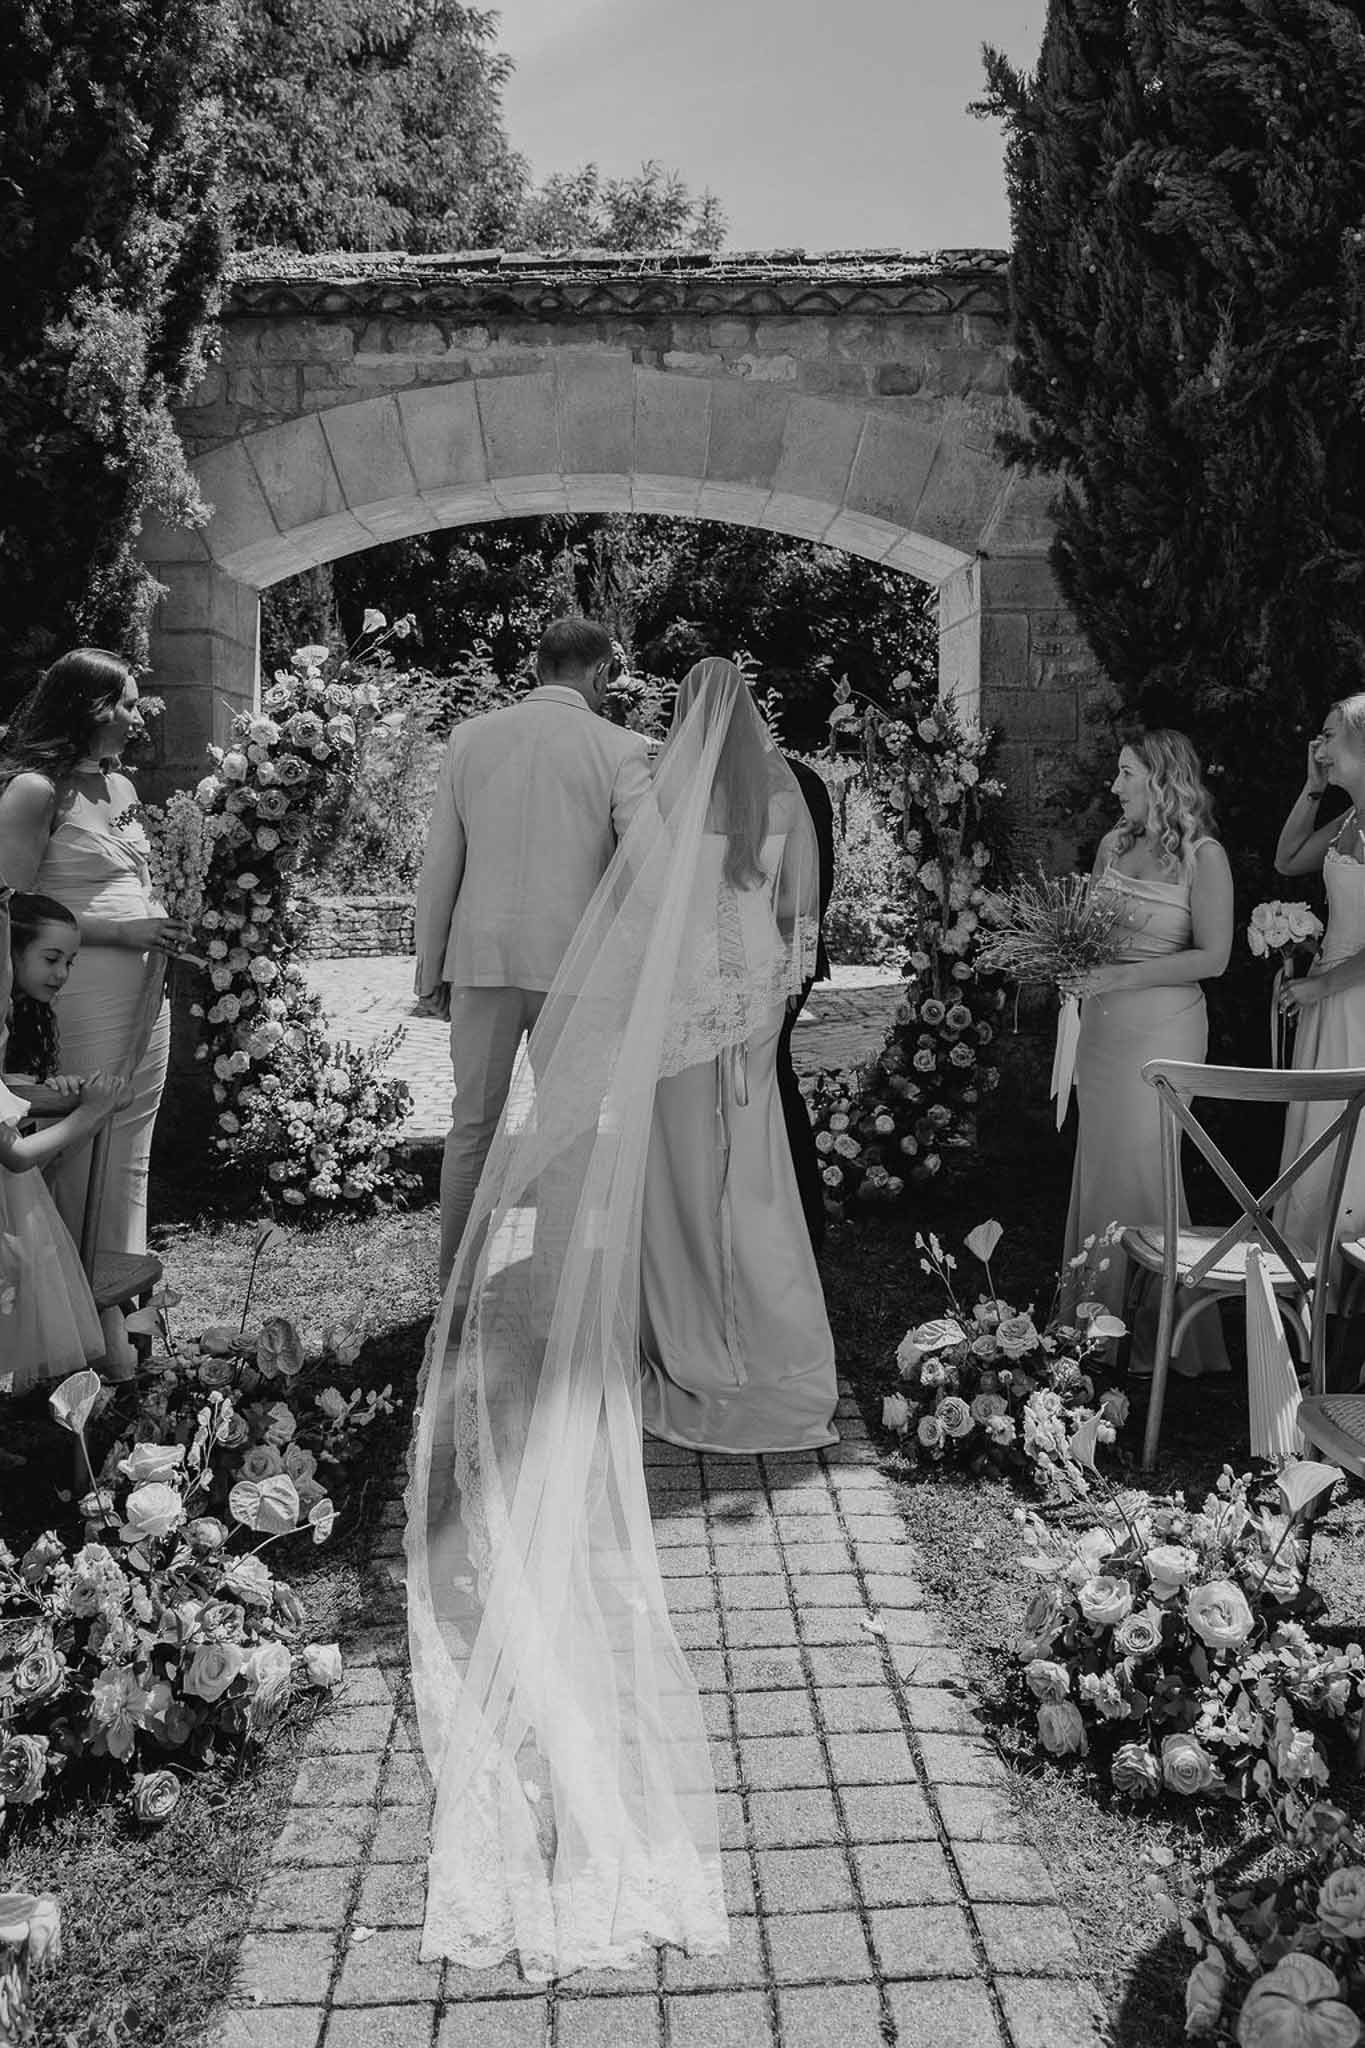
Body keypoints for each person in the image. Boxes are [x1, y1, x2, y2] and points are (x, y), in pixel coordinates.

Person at [406, 659, 828, 1983]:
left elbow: (583, 893)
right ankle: (719, 1340)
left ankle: (540, 1299)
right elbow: (783, 919)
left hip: (596, 999)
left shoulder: (567, 764)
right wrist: (750, 1002)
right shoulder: (714, 785)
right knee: (677, 1186)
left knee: (521, 1150)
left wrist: (443, 965)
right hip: (699, 1019)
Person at [414, 616, 653, 1287]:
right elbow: (650, 866)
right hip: (576, 970)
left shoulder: (469, 738)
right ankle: (557, 1284)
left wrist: (430, 967)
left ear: (536, 667)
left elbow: (440, 864)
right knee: (569, 1133)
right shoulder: (620, 746)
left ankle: (453, 1284)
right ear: (602, 671)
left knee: (471, 1129)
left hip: (481, 961)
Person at [640, 678, 838, 1451]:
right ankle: (766, 1328)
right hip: (754, 995)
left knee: (682, 1163)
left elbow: (639, 902)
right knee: (753, 1165)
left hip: (684, 996)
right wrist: (778, 988)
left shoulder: (661, 790)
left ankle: (685, 1326)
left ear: (687, 715)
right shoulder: (783, 792)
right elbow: (797, 914)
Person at [0, 651, 189, 1258]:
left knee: (132, 1138)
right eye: (129, 703)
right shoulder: (34, 790)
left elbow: (135, 884)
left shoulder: (121, 784)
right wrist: (120, 931)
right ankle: (69, 1304)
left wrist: (162, 925)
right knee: (83, 1131)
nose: (140, 717)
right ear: (90, 706)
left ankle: (127, 1309)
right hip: (75, 989)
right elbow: (13, 906)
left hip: (143, 988)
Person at [1062, 729, 1233, 1374]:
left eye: (1126, 773)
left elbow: (1213, 958)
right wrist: (1071, 960)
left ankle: (1158, 1335)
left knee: (1147, 1165)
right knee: (1102, 1162)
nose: (1114, 786)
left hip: (1164, 1025)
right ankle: (1089, 1322)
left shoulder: (1203, 855)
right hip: (1103, 1028)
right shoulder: (1113, 843)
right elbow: (1091, 930)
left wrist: (1120, 977)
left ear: (1161, 780)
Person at [0, 884, 124, 1394]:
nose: (62, 974)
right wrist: (90, 1112)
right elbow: (17, 1154)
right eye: (51, 958)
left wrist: (44, 1090)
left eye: (69, 961)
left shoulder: (26, 1018)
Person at [1273, 696, 1365, 1256]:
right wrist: (1313, 786)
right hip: (1329, 992)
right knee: (1319, 1134)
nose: (1320, 748)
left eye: (1329, 737)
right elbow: (1288, 859)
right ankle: (1313, 1278)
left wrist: (1323, 985)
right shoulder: (1350, 817)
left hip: (1353, 998)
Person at [774, 755, 835, 1254]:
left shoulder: (795, 783)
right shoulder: (805, 778)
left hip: (778, 963)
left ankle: (801, 1215)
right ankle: (801, 1215)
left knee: (773, 1076)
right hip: (793, 957)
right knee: (776, 1077)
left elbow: (815, 884)